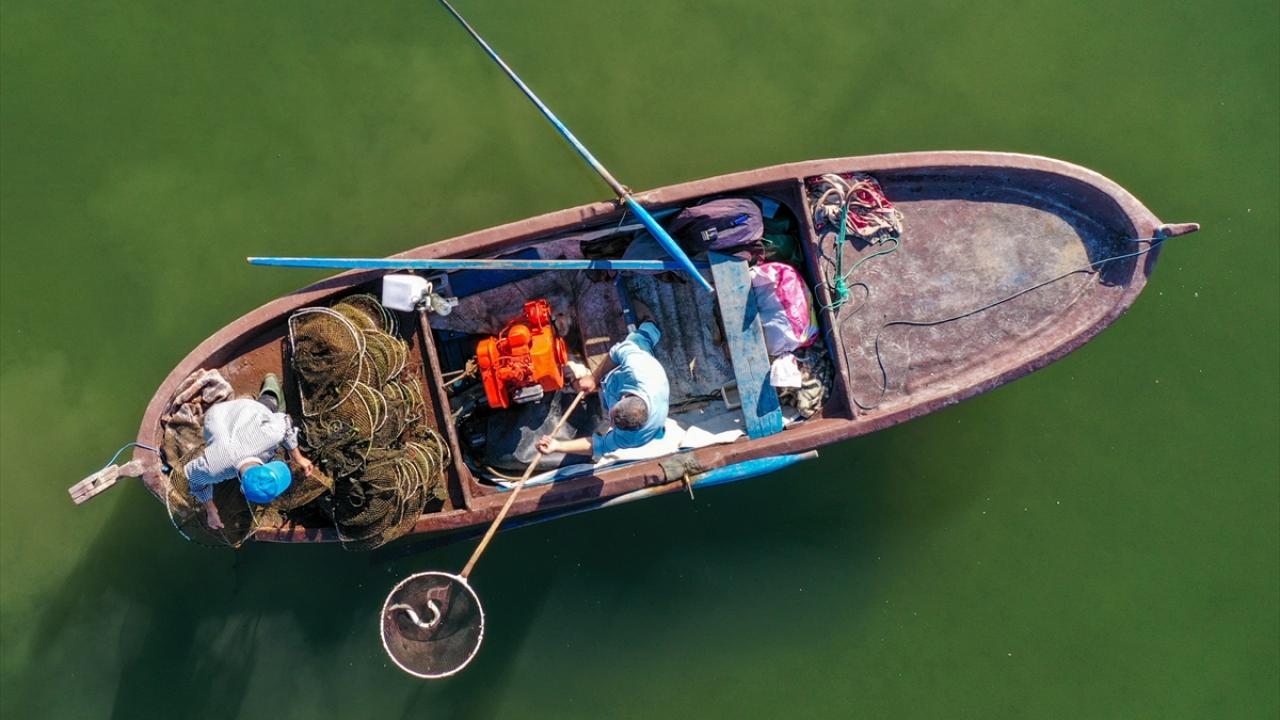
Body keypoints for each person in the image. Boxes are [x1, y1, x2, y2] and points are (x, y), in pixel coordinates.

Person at [183, 374, 314, 530]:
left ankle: (270, 383)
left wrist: (298, 458)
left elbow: (285, 422)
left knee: (270, 404)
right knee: (218, 437)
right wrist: (211, 510)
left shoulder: (271, 435)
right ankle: (265, 390)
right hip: (217, 417)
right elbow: (192, 476)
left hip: (249, 411)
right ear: (242, 490)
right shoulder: (213, 468)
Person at [536, 320, 670, 459]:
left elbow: (600, 446)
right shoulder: (637, 367)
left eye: (615, 425)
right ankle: (651, 326)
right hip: (638, 368)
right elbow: (617, 351)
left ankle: (656, 429)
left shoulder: (633, 437)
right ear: (623, 397)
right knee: (638, 339)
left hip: (628, 391)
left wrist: (557, 446)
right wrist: (593, 378)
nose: (611, 424)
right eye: (612, 418)